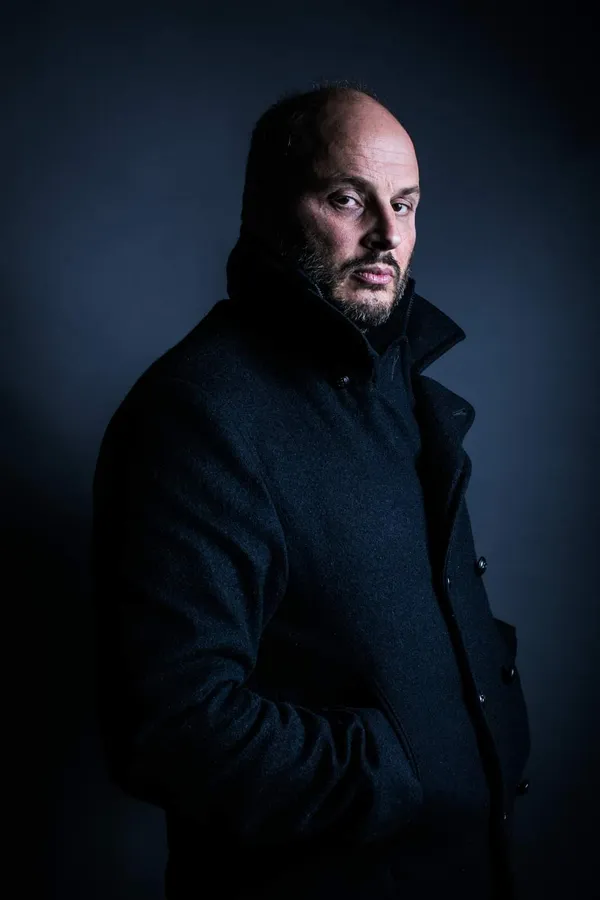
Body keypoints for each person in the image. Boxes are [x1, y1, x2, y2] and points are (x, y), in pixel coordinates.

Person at [91, 82, 531, 900]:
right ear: (267, 205)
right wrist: (397, 768)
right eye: (347, 199)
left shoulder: (398, 389)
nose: (387, 234)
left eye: (405, 205)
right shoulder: (200, 414)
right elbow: (172, 726)